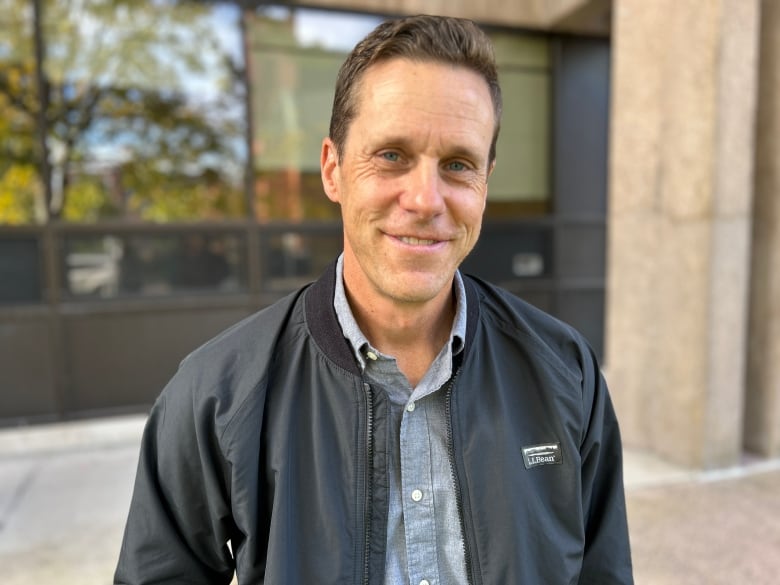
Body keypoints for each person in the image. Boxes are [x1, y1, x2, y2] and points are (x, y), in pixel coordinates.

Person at [114, 14, 633, 585]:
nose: (425, 199)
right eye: (391, 156)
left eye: (458, 165)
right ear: (333, 170)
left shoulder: (567, 371)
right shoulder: (218, 393)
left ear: (486, 181)